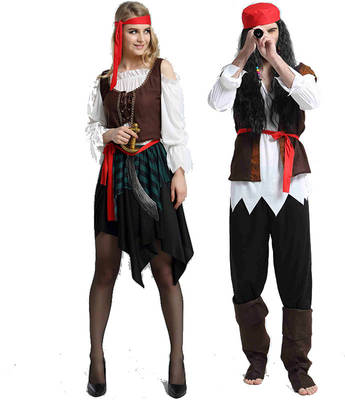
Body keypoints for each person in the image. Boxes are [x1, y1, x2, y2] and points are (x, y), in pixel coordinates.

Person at [208, 2, 320, 396]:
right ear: (247, 36)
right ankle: (256, 356)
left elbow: (310, 99)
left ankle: (297, 364)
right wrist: (244, 56)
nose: (265, 38)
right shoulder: (237, 74)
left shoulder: (298, 71)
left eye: (271, 31)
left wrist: (275, 59)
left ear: (280, 33)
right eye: (258, 33)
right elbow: (216, 101)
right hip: (247, 190)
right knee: (246, 273)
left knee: (296, 274)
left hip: (292, 188)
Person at [84, 2, 193, 397]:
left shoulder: (162, 70)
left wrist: (179, 172)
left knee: (165, 270)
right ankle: (96, 357)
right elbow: (92, 126)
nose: (142, 38)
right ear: (119, 33)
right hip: (113, 180)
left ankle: (177, 359)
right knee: (105, 268)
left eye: (146, 30)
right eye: (133, 31)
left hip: (153, 174)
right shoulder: (103, 80)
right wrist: (109, 134)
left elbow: (176, 128)